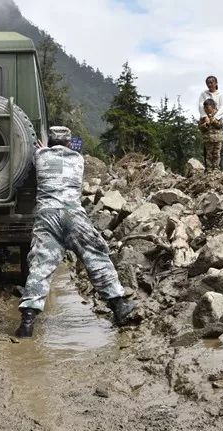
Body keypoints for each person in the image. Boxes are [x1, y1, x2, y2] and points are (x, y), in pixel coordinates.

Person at [15, 126, 136, 337]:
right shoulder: (78, 159)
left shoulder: (40, 156)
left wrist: (44, 149)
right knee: (95, 255)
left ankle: (27, 322)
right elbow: (62, 156)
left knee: (40, 265)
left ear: (49, 143)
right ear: (69, 144)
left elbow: (41, 153)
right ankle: (119, 306)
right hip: (73, 215)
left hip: (47, 215)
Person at [198, 98, 223, 171]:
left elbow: (221, 125)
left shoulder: (218, 115)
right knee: (209, 155)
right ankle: (209, 169)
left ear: (213, 107)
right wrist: (205, 125)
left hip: (217, 139)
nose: (206, 109)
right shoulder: (203, 117)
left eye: (207, 107)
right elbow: (199, 127)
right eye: (205, 108)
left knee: (216, 154)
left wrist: (214, 121)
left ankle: (216, 169)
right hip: (208, 139)